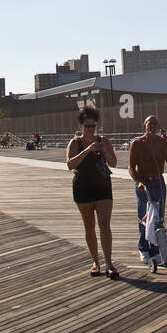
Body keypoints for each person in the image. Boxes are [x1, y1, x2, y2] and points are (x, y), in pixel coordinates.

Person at [66, 106, 119, 278]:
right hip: (83, 187)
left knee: (105, 224)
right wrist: (87, 151)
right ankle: (95, 261)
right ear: (81, 126)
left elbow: (114, 163)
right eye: (87, 126)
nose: (90, 129)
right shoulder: (75, 143)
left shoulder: (102, 140)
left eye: (93, 126)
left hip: (103, 186)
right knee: (89, 226)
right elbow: (70, 164)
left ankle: (109, 263)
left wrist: (104, 151)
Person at [128, 115, 167, 264]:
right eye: (149, 123)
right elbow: (131, 167)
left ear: (158, 126)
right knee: (145, 217)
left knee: (158, 218)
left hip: (158, 182)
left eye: (155, 124)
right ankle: (144, 248)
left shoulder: (163, 143)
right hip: (143, 183)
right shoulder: (137, 144)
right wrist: (138, 181)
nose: (152, 126)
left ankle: (156, 249)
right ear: (144, 125)